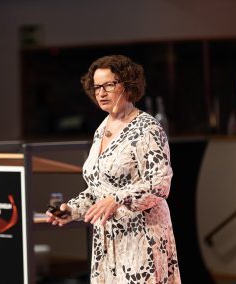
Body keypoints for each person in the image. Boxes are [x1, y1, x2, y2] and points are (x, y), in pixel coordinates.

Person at [46, 55, 181, 283]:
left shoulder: (146, 128)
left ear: (127, 85)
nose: (101, 92)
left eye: (109, 85)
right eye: (97, 87)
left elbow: (160, 183)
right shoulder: (102, 129)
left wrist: (117, 198)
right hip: (108, 238)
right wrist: (73, 210)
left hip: (141, 235)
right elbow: (98, 188)